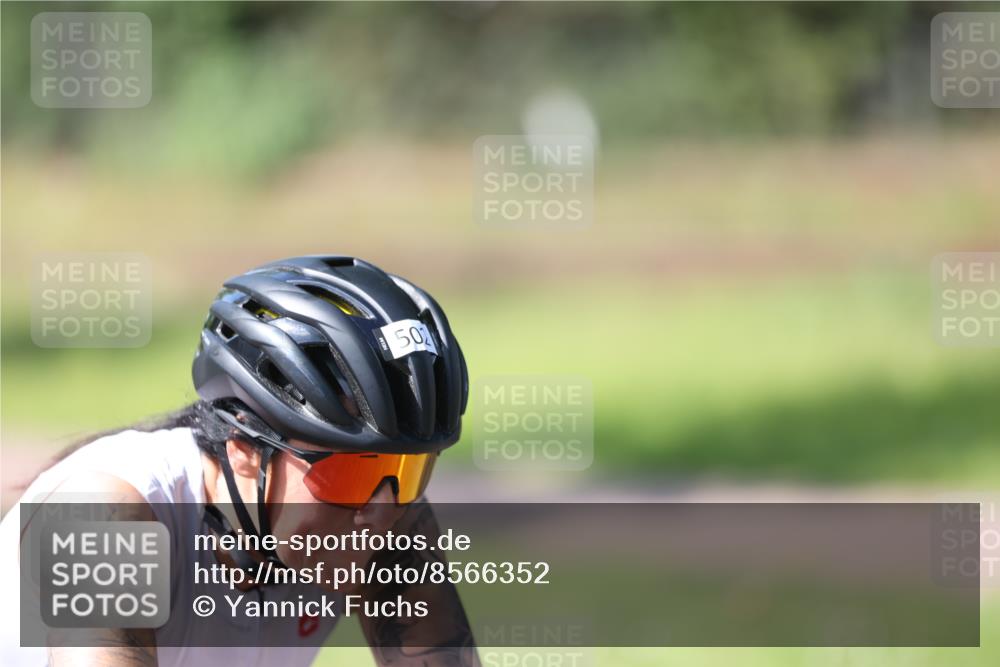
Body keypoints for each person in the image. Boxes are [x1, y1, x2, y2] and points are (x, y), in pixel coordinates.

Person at [0, 255, 477, 667]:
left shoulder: (384, 517)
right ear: (244, 452)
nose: (381, 513)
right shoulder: (105, 512)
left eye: (408, 473)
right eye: (353, 473)